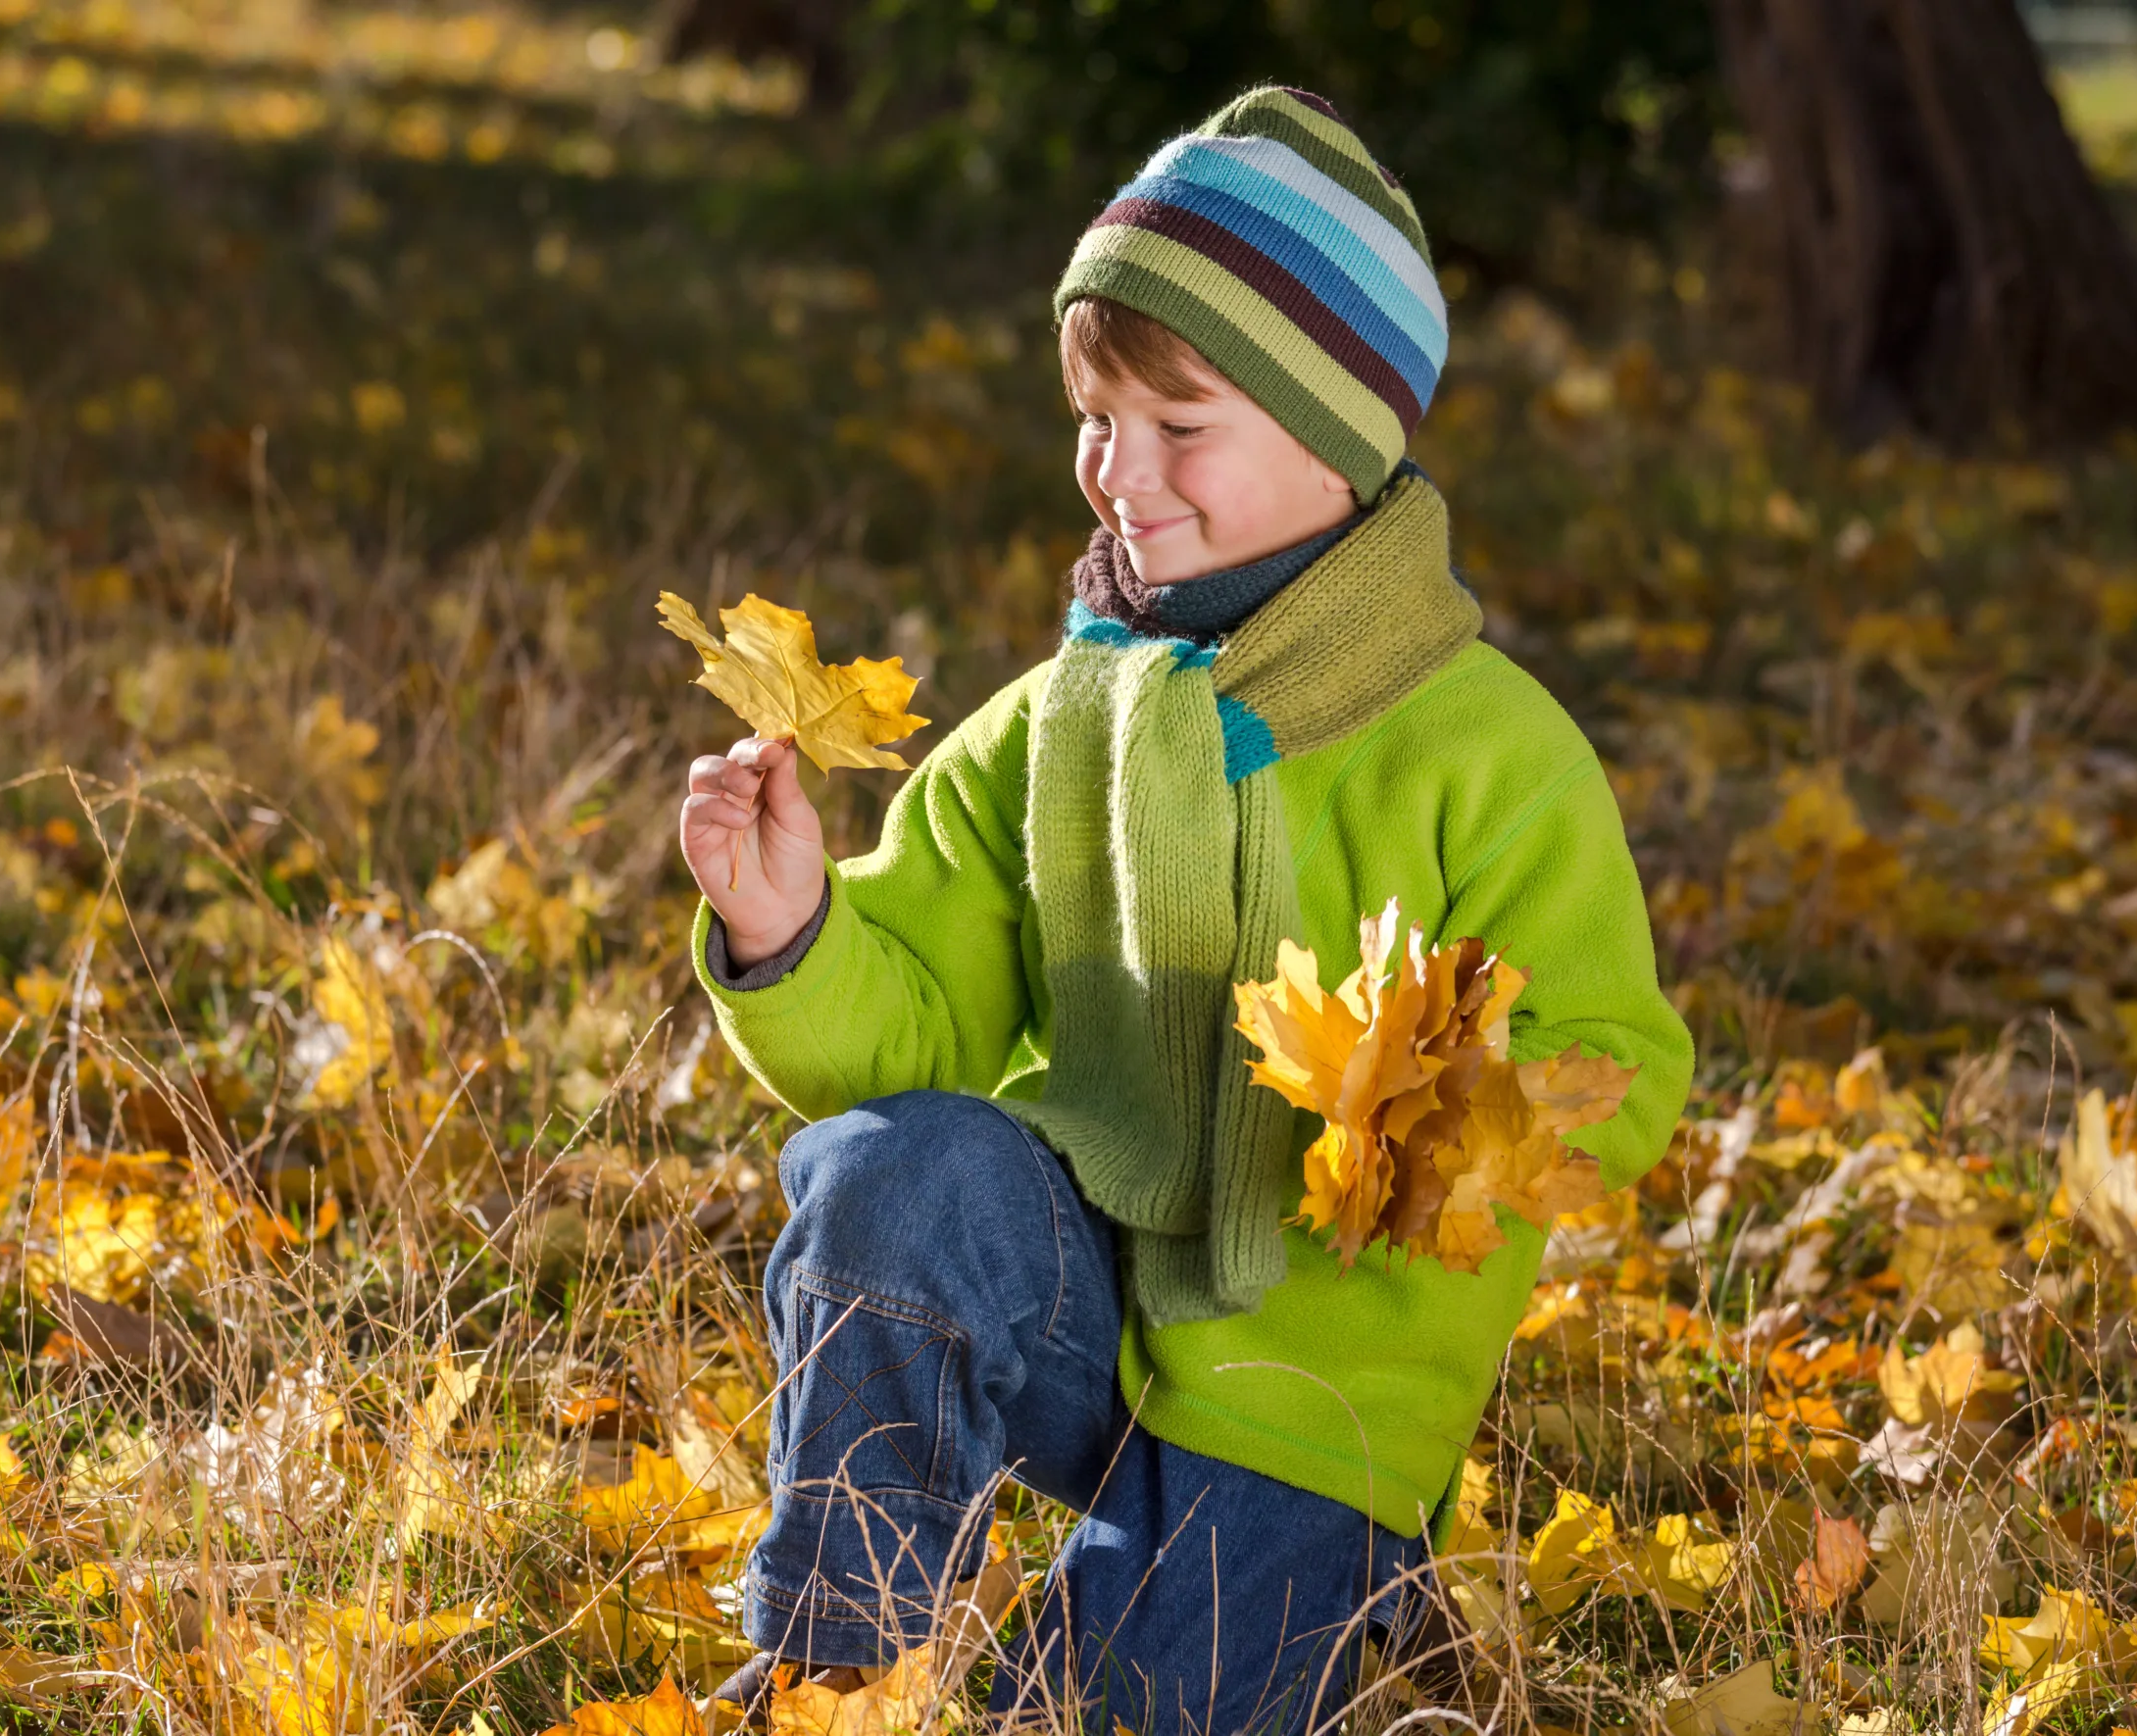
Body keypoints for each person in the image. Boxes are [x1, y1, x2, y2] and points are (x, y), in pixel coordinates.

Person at [677, 86, 1693, 1734]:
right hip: (1086, 1294)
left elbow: (1616, 1052)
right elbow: (918, 1024)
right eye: (1094, 417)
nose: (1114, 472)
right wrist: (792, 931)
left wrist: (1458, 1113)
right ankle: (828, 1657)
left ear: (1342, 434)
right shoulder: (1055, 724)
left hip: (1316, 1394)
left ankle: (1328, 1581)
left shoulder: (1491, 751)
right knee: (897, 1175)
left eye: (1179, 424)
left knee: (1101, 1712)